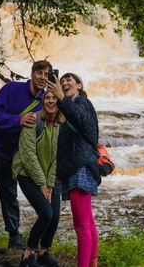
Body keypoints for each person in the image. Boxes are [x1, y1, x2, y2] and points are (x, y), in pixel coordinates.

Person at [0, 60, 52, 264]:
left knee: (10, 196)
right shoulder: (11, 89)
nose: (43, 77)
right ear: (32, 73)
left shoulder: (45, 98)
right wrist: (18, 120)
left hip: (12, 156)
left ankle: (14, 237)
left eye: (47, 74)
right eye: (40, 72)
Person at [46, 73, 101, 267]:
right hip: (77, 166)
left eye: (69, 80)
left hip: (81, 167)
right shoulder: (69, 106)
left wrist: (61, 98)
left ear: (79, 85)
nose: (64, 83)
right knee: (88, 222)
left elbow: (81, 120)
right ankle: (92, 263)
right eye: (62, 81)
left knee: (81, 225)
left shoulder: (82, 103)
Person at [12, 91, 63, 267]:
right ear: (42, 101)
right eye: (47, 98)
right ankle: (28, 255)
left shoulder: (59, 124)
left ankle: (44, 252)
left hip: (47, 176)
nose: (50, 101)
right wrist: (42, 185)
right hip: (27, 173)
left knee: (55, 215)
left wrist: (49, 184)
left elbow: (55, 157)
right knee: (46, 214)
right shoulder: (33, 121)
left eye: (54, 98)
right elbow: (28, 156)